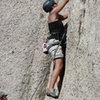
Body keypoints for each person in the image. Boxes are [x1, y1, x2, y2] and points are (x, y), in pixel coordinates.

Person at [42, 0, 69, 98]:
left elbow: (65, 16)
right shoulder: (53, 13)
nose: (57, 4)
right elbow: (64, 2)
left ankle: (57, 86)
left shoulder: (55, 16)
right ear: (53, 6)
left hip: (53, 44)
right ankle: (50, 89)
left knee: (59, 67)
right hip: (54, 44)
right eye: (55, 3)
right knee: (59, 65)